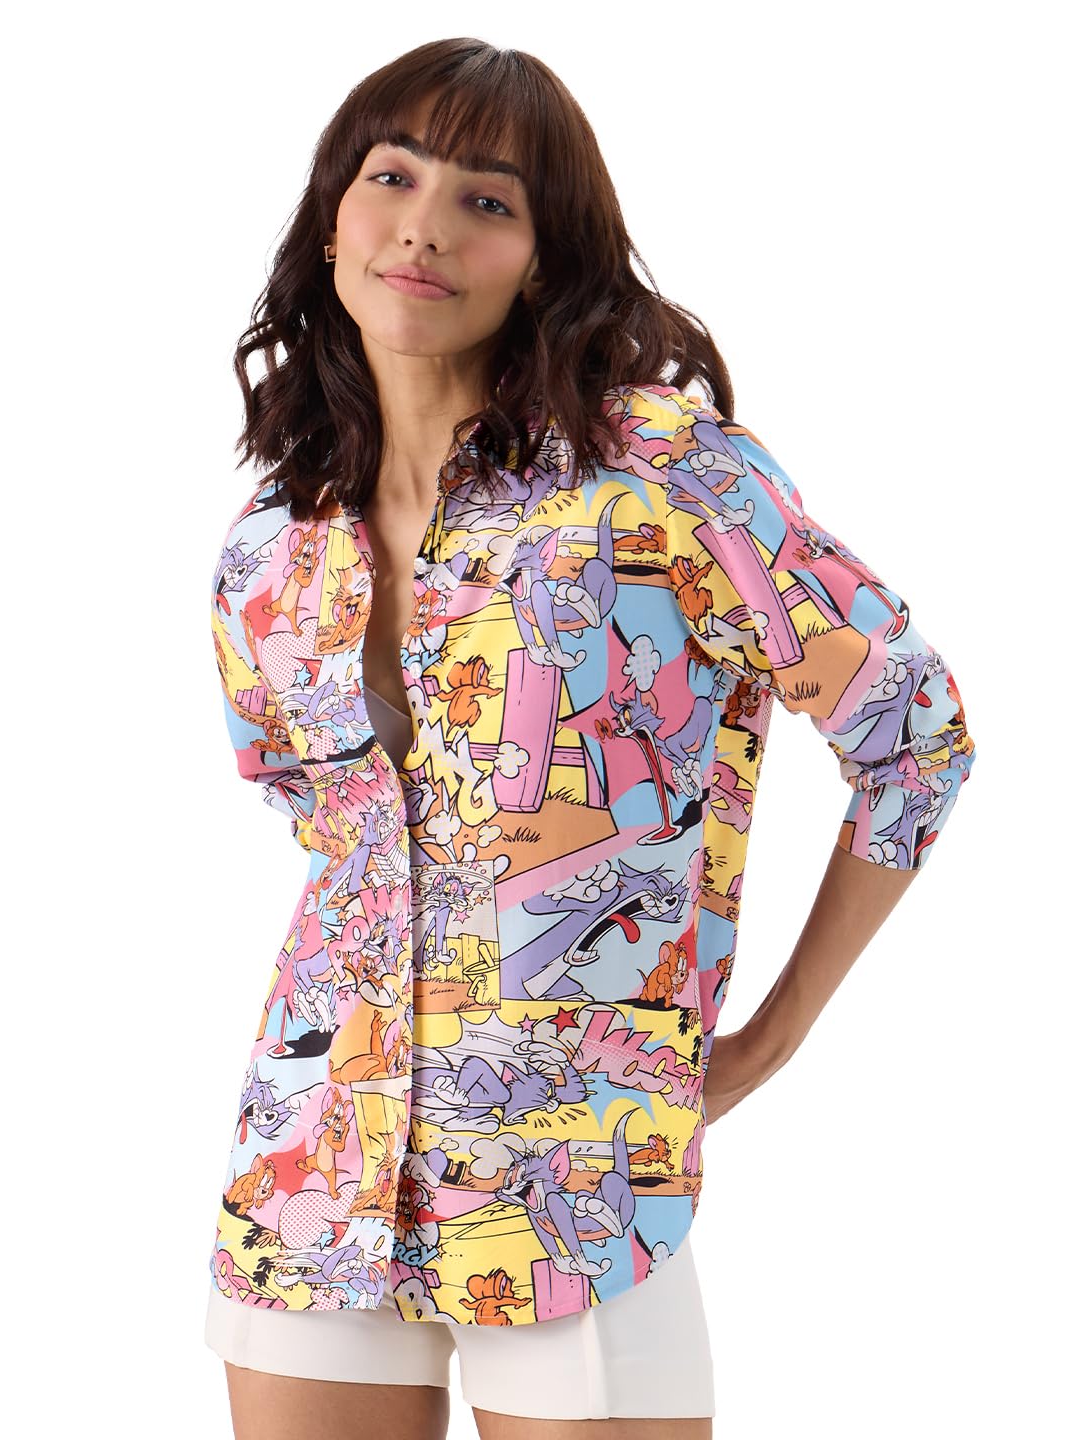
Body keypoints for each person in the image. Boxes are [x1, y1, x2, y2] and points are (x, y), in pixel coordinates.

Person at [202, 37, 978, 1440]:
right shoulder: (273, 541)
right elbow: (332, 833)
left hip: (577, 1182)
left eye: (488, 201)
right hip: (317, 1161)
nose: (426, 227)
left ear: (546, 259)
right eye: (393, 178)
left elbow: (915, 736)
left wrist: (772, 1037)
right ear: (332, 221)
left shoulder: (663, 477)